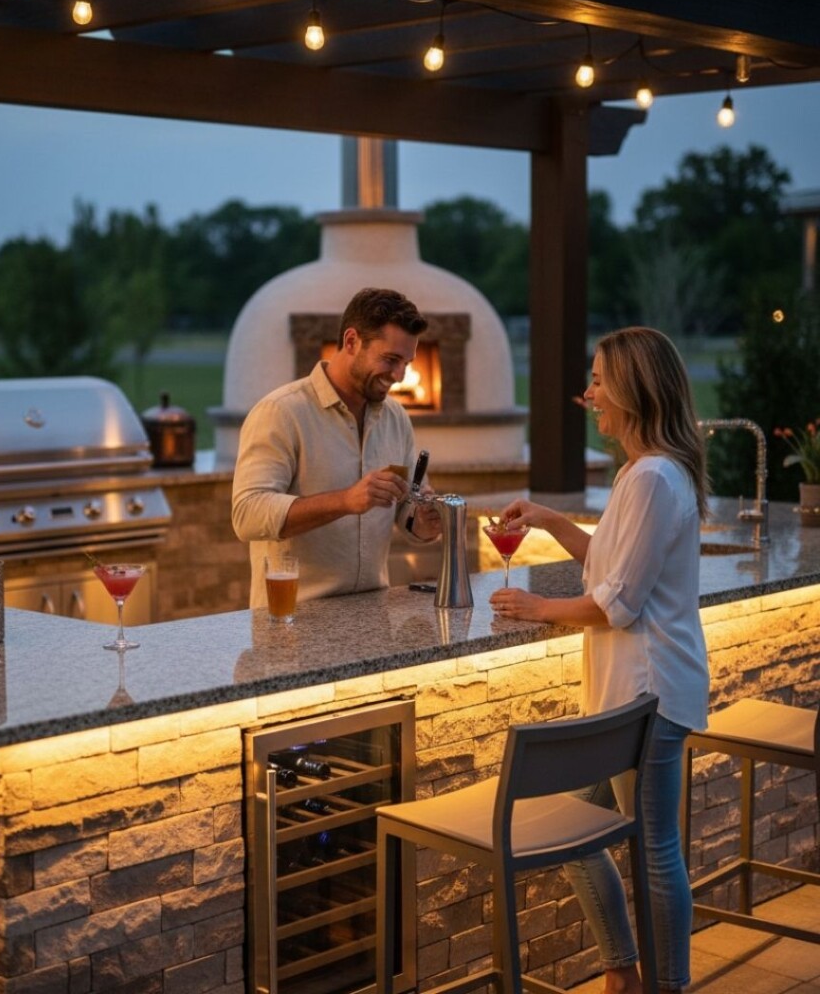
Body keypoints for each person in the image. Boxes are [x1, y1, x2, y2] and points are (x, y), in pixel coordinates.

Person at [488, 326, 710, 994]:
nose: (589, 395)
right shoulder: (639, 472)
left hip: (649, 697)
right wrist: (553, 522)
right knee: (572, 825)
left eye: (598, 380)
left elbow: (618, 604)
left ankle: (662, 986)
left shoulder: (651, 478)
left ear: (634, 390)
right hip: (627, 695)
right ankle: (623, 970)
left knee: (655, 852)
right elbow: (613, 569)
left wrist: (537, 610)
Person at [231, 287, 442, 609]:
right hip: (292, 618)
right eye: (390, 360)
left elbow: (406, 510)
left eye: (407, 364)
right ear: (351, 341)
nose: (399, 376)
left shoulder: (396, 417)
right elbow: (247, 515)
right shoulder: (281, 412)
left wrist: (425, 519)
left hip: (373, 614)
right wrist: (345, 500)